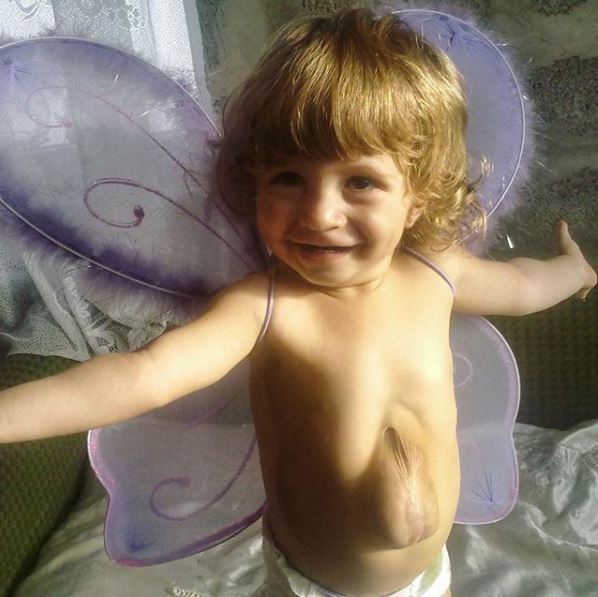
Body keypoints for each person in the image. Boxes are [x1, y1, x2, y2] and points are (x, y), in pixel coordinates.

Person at [0, 8, 595, 597]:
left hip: (428, 578)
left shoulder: (438, 272)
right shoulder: (264, 307)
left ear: (416, 196)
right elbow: (143, 376)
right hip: (312, 586)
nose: (320, 214)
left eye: (360, 182)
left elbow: (523, 287)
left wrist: (573, 269)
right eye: (287, 178)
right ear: (253, 182)